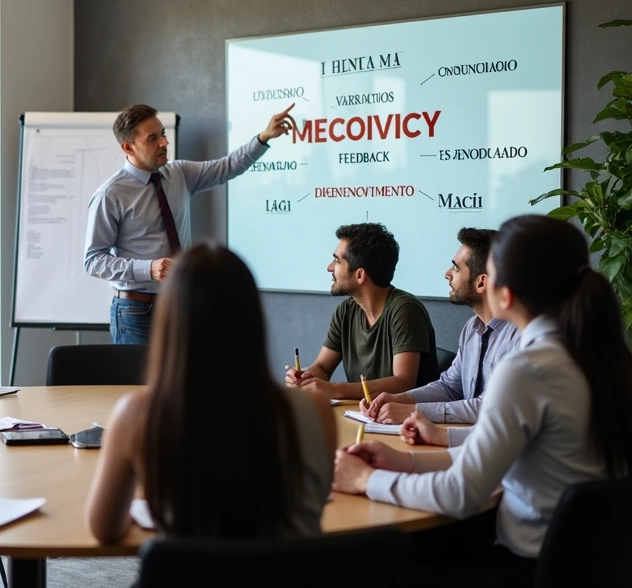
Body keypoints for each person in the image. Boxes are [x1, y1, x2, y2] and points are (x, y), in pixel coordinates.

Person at [333, 215, 632, 586]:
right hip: (585, 563)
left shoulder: (528, 368)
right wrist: (404, 461)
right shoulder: (594, 352)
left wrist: (367, 480)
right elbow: (508, 449)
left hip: (525, 565)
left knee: (375, 560)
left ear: (502, 292)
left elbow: (460, 493)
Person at [85, 242, 335, 543]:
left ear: (169, 322)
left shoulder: (136, 414)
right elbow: (310, 508)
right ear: (252, 318)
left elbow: (105, 529)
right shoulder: (316, 409)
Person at [84, 103, 296, 345]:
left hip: (180, 304)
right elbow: (93, 260)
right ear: (127, 147)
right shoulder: (110, 195)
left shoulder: (179, 173)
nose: (164, 143)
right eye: (152, 138)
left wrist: (263, 137)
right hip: (136, 311)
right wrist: (148, 268)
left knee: (183, 381)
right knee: (138, 384)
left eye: (162, 133)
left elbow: (227, 167)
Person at [362, 228, 519, 428]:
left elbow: (491, 407)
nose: (447, 274)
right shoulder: (471, 328)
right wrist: (398, 399)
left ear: (481, 282)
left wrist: (413, 411)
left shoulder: (519, 336)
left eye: (456, 268)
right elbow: (449, 387)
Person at [285, 223, 437, 398]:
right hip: (364, 416)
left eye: (337, 261)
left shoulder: (405, 310)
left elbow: (403, 383)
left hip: (405, 421)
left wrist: (334, 389)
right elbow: (322, 367)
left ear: (359, 275)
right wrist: (304, 379)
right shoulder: (346, 310)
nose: (330, 267)